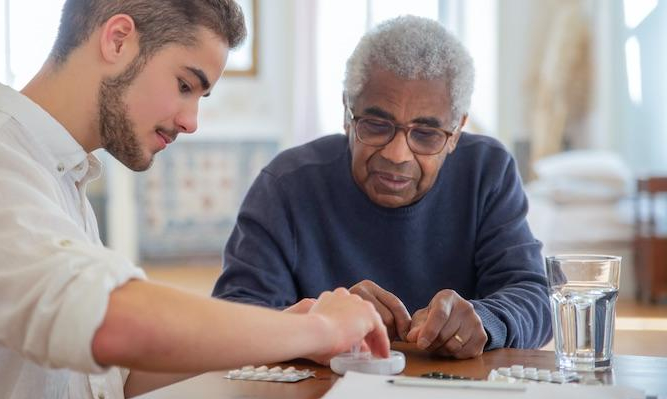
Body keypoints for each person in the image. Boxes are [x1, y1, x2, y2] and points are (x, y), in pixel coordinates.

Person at [0, 1, 390, 399]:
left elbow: (111, 372)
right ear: (118, 39)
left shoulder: (55, 176)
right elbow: (112, 322)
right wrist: (320, 326)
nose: (191, 121)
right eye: (185, 84)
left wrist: (291, 332)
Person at [213, 15, 552, 359]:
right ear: (347, 114)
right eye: (376, 125)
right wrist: (323, 321)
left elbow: (534, 297)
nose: (397, 154)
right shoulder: (286, 185)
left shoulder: (487, 172)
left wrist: (486, 318)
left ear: (457, 132)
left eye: (426, 134)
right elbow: (234, 319)